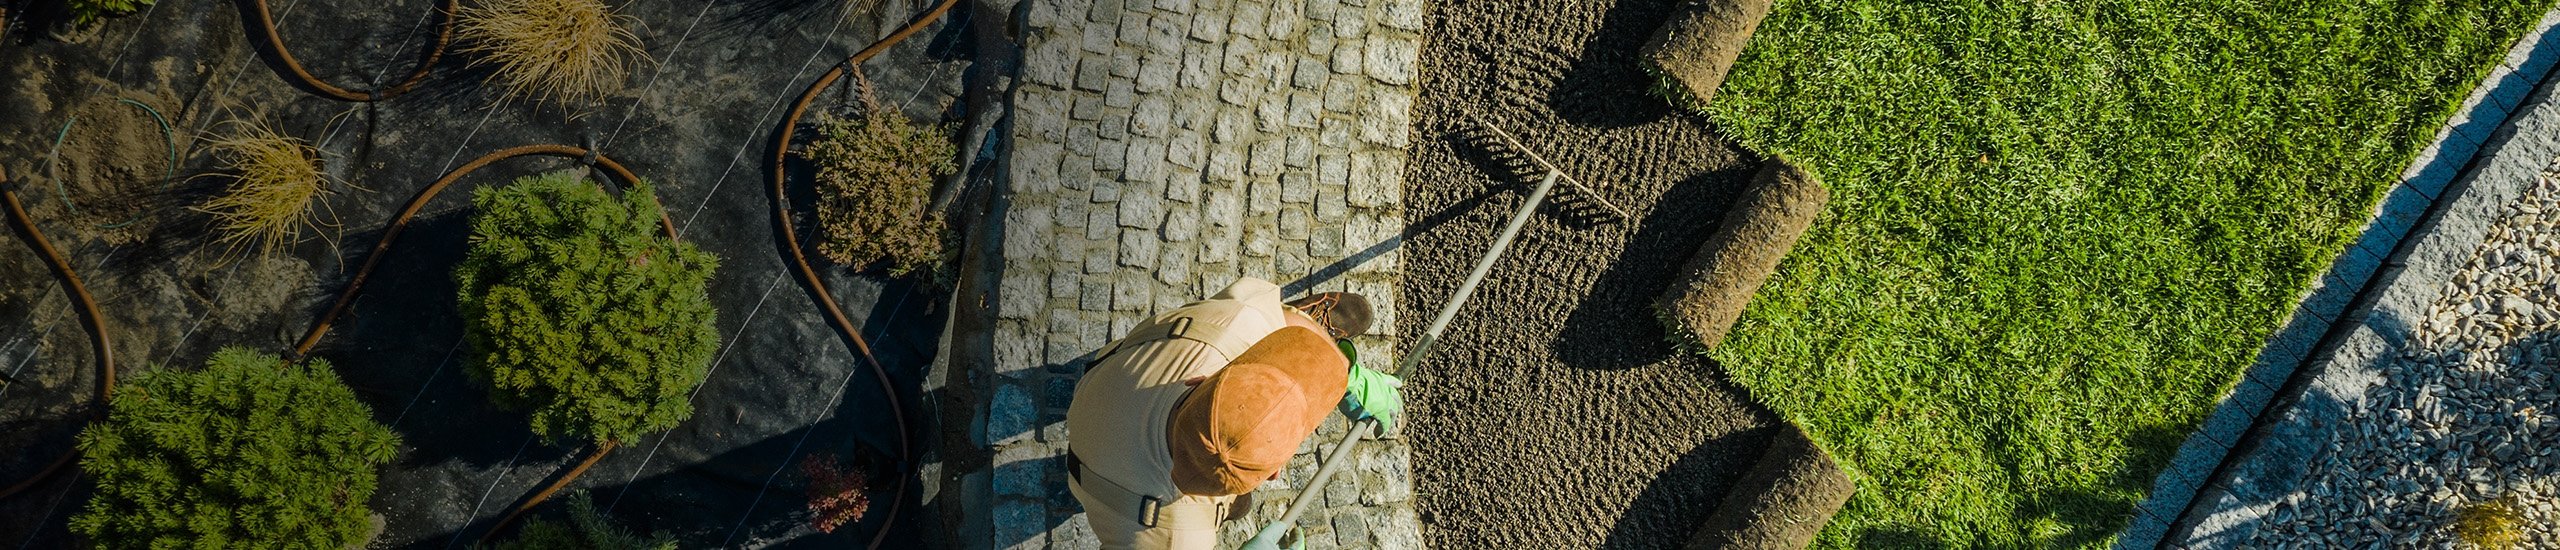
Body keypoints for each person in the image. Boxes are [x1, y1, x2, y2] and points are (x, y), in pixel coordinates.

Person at [1063, 277, 1405, 549]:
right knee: (1239, 504)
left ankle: (1230, 502)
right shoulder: (1181, 541)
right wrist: (1345, 373)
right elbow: (1290, 328)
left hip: (1102, 394)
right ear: (1273, 474)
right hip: (1092, 446)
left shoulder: (1236, 322)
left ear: (1200, 380)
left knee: (1239, 502)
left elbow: (1284, 323)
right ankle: (1229, 503)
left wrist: (1344, 372)